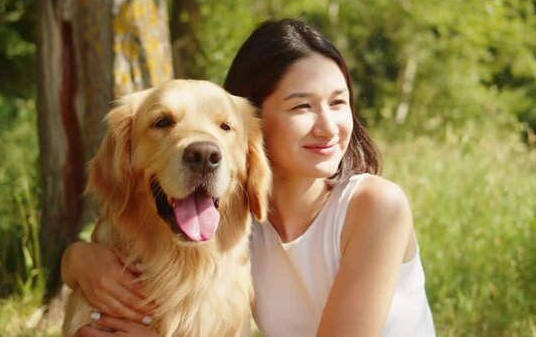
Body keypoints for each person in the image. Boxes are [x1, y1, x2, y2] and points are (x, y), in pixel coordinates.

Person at [61, 18, 435, 337]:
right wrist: (77, 261)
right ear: (258, 122)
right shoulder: (240, 224)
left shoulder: (377, 207)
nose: (328, 127)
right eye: (302, 106)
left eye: (339, 102)